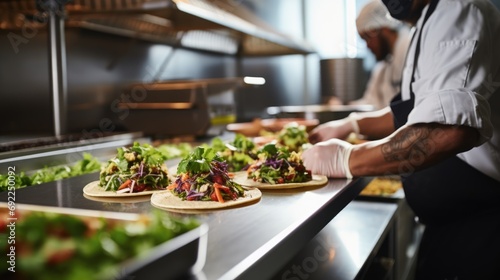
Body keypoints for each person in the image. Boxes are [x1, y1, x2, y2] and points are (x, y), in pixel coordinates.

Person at [302, 0, 500, 279]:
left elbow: (447, 130)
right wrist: (352, 123)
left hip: (480, 225)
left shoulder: (458, 9)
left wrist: (347, 159)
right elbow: (416, 111)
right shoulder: (427, 21)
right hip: (447, 225)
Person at [347, 0, 411, 110]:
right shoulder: (383, 67)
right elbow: (371, 102)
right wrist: (343, 106)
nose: (368, 46)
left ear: (383, 27)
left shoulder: (410, 48)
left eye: (368, 37)